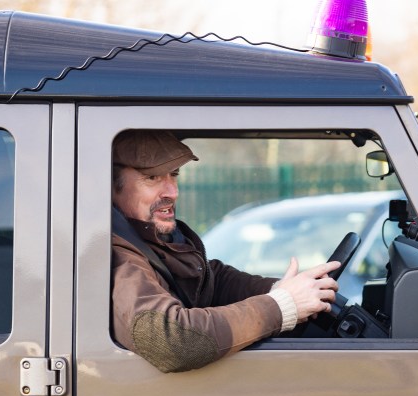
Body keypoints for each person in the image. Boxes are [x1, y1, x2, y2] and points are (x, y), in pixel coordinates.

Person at [110, 129, 340, 373]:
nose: (172, 192)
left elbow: (210, 281)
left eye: (174, 175)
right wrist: (281, 306)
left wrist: (281, 290)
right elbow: (173, 341)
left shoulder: (154, 242)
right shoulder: (118, 258)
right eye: (153, 178)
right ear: (113, 186)